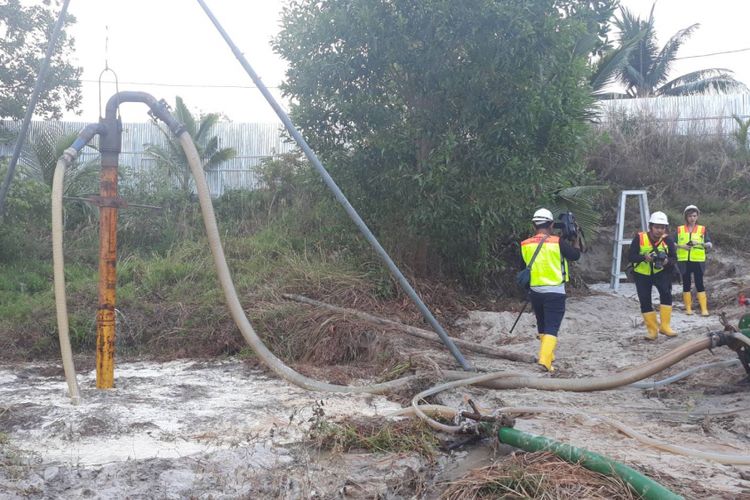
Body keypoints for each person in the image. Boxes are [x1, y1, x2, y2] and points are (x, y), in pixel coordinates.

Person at [520, 208, 581, 372]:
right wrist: (575, 239)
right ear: (552, 224)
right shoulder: (557, 241)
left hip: (535, 291)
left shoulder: (525, 244)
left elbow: (525, 266)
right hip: (554, 290)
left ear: (534, 224)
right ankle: (545, 361)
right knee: (552, 326)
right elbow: (575, 255)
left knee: (542, 324)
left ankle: (548, 354)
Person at [628, 211, 678, 340]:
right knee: (645, 300)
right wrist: (644, 257)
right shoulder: (639, 238)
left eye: (662, 227)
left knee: (666, 295)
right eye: (657, 227)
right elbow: (630, 257)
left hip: (661, 272)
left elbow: (674, 258)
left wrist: (667, 262)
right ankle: (652, 330)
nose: (659, 230)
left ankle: (665, 326)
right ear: (651, 227)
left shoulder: (668, 240)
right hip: (642, 274)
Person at [675, 205, 712, 316]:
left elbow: (710, 244)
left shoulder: (702, 229)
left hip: (698, 260)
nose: (692, 218)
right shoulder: (679, 229)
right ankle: (688, 309)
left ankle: (704, 309)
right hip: (684, 261)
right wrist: (682, 246)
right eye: (690, 216)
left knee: (699, 283)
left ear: (697, 216)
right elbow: (671, 243)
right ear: (686, 217)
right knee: (686, 284)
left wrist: (700, 243)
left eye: (694, 216)